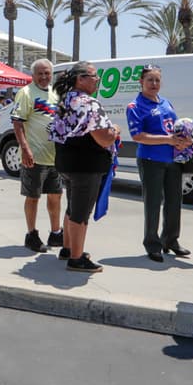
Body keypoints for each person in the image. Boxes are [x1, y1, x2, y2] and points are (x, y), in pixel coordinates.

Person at [49, 63, 120, 273]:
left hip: (67, 163)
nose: (97, 80)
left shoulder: (67, 100)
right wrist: (115, 130)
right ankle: (77, 259)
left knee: (73, 207)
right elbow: (103, 139)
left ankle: (69, 248)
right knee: (81, 213)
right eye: (94, 76)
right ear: (80, 79)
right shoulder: (89, 103)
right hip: (86, 166)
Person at [126, 64, 193, 262]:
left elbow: (173, 127)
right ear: (141, 82)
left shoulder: (166, 103)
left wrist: (184, 140)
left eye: (157, 80)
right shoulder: (135, 106)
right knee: (154, 202)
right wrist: (167, 140)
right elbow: (138, 136)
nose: (154, 84)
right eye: (150, 80)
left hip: (172, 159)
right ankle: (152, 243)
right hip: (150, 160)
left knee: (174, 201)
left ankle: (170, 240)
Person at [12, 59, 63, 253]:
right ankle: (31, 234)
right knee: (33, 197)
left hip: (54, 157)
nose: (44, 77)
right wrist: (25, 148)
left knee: (56, 196)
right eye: (40, 73)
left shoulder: (56, 94)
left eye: (47, 73)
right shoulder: (25, 93)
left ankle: (56, 233)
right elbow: (17, 122)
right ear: (33, 75)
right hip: (34, 156)